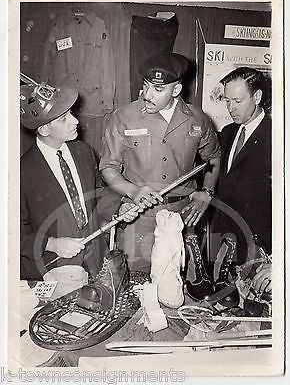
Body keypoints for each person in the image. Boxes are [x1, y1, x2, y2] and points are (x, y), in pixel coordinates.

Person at [99, 52, 221, 272]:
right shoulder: (123, 117)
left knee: (179, 284)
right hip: (139, 218)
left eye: (158, 89)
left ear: (176, 90)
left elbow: (212, 157)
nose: (147, 95)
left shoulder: (198, 119)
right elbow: (108, 167)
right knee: (135, 285)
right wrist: (133, 190)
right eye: (146, 85)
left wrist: (207, 193)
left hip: (182, 217)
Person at [20, 76, 134, 281]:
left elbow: (98, 196)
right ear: (44, 129)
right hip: (54, 269)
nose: (75, 120)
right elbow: (11, 233)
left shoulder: (83, 151)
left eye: (70, 113)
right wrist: (52, 243)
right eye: (63, 118)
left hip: (95, 261)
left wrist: (119, 211)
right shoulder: (22, 172)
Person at [212, 67, 271, 266]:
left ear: (257, 97)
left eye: (237, 101)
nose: (231, 108)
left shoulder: (277, 138)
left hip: (255, 246)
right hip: (220, 241)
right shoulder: (227, 132)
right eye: (227, 101)